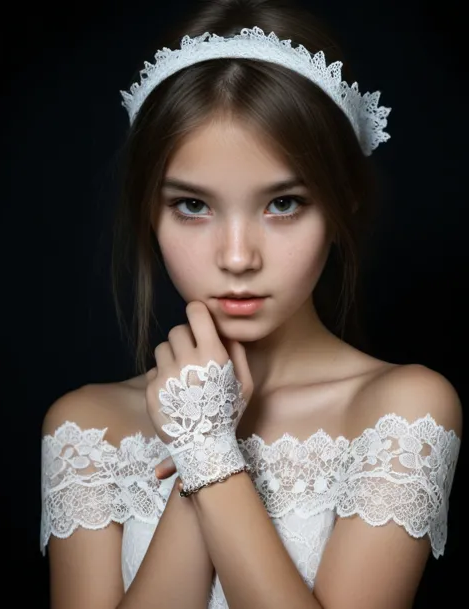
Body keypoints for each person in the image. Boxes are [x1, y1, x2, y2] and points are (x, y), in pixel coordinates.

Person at [40, 1, 462, 608]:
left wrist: (208, 452)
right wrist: (199, 434)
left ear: (344, 205)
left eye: (283, 203)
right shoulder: (86, 427)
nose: (237, 257)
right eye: (193, 205)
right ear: (148, 213)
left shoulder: (403, 411)